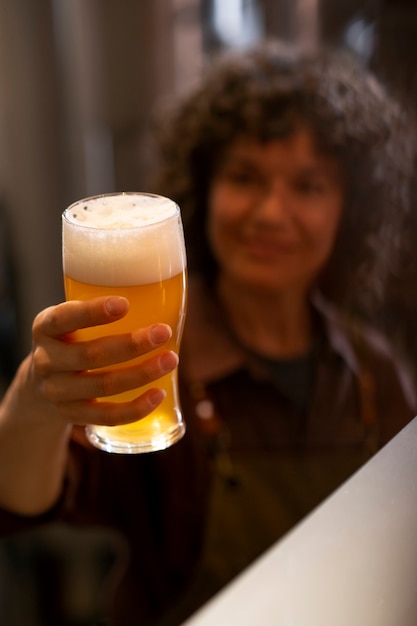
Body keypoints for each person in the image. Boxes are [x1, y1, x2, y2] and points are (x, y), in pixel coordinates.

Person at [0, 40, 416, 626]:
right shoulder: (149, 355)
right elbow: (20, 501)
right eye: (245, 177)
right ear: (202, 188)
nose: (271, 213)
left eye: (308, 186)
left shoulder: (375, 373)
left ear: (352, 210)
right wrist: (35, 401)